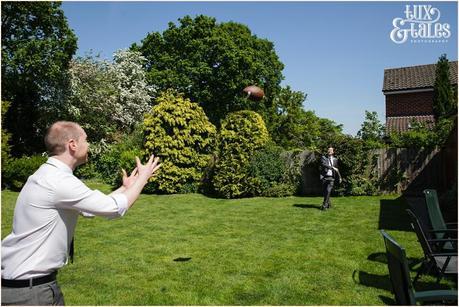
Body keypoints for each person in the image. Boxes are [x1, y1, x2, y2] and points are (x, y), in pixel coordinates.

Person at [1, 121, 161, 305]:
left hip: (30, 286)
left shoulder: (48, 175)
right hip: (30, 293)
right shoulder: (58, 181)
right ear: (72, 145)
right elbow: (113, 209)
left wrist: (125, 188)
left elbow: (91, 208)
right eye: (86, 139)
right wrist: (143, 178)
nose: (89, 145)